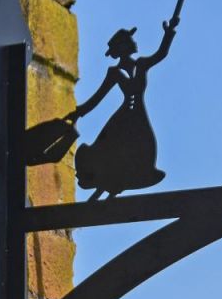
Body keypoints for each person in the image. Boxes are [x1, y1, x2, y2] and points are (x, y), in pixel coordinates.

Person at [69, 17, 178, 199]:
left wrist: (169, 32)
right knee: (110, 154)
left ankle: (113, 190)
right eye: (130, 41)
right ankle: (101, 192)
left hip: (138, 119)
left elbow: (161, 54)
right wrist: (79, 112)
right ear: (122, 48)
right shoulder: (115, 73)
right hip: (122, 121)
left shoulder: (142, 64)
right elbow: (98, 96)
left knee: (138, 151)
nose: (134, 43)